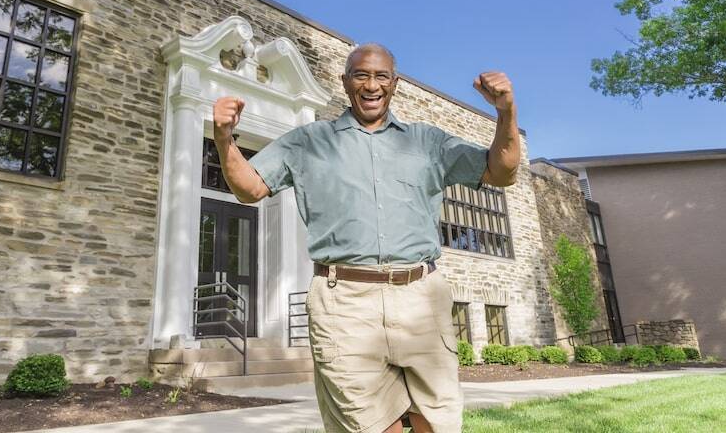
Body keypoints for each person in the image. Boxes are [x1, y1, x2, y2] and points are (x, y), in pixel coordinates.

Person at [212, 42, 519, 433]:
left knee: (436, 422)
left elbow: (502, 171)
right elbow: (250, 188)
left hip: (420, 295)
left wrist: (506, 111)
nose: (371, 85)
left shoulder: (428, 142)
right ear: (345, 83)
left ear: (395, 83)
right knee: (371, 426)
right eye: (361, 75)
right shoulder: (308, 141)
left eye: (380, 76)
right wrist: (225, 139)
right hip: (345, 302)